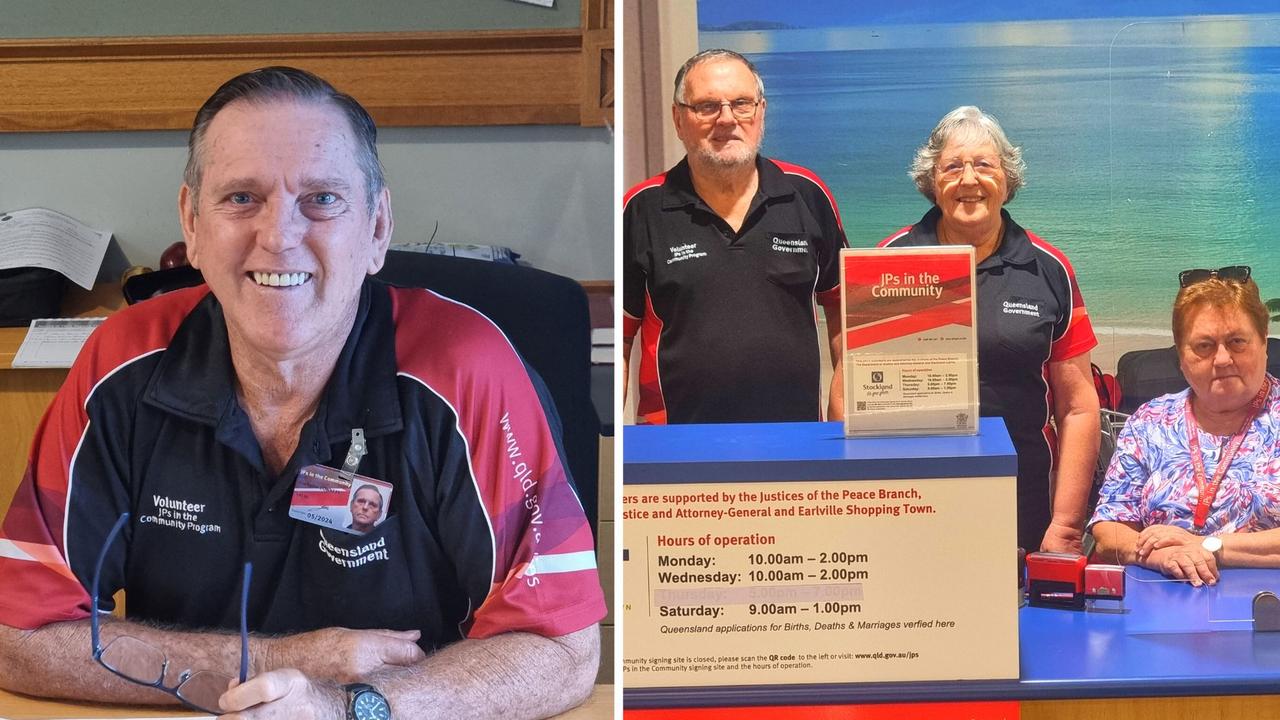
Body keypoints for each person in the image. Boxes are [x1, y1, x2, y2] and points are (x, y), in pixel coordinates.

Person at [0, 67, 604, 719]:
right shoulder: (120, 361)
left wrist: (345, 707)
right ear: (192, 225)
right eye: (240, 198)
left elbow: (562, 649)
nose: (280, 235)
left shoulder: (469, 368)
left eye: (321, 199)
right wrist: (271, 666)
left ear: (376, 228)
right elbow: (17, 633)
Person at [879, 106, 1100, 554]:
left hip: (1022, 494)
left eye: (984, 165)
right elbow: (855, 388)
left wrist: (1066, 526)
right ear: (931, 179)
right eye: (953, 166)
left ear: (1006, 177)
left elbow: (1078, 407)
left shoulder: (1049, 268)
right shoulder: (888, 262)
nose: (969, 180)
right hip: (911, 496)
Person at [622, 49, 849, 424]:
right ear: (679, 119)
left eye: (741, 104)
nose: (727, 119)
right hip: (674, 453)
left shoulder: (808, 194)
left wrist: (841, 431)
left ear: (761, 113)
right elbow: (621, 340)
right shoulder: (641, 208)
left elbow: (845, 315)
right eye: (707, 106)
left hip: (797, 446)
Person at [1091, 268, 1280, 586]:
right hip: (1160, 607)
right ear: (1181, 357)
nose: (1222, 359)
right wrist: (1156, 556)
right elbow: (1108, 531)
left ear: (1263, 343)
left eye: (1236, 342)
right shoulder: (1149, 423)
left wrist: (1209, 546)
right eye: (1204, 346)